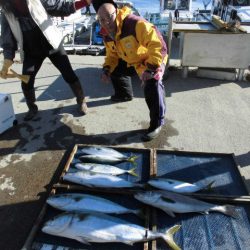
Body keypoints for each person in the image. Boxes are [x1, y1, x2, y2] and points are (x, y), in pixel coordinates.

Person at [0, 0, 90, 121]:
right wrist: (7, 60)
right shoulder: (6, 11)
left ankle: (81, 100)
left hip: (52, 44)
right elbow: (7, 39)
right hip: (31, 51)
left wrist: (84, 2)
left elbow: (61, 7)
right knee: (26, 81)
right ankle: (32, 108)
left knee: (68, 74)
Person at [93, 1, 168, 141]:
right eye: (101, 19)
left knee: (153, 84)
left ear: (117, 11)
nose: (106, 22)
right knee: (113, 70)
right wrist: (106, 69)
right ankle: (124, 94)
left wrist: (151, 69)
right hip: (132, 59)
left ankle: (157, 123)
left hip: (151, 59)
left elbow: (158, 45)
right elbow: (112, 55)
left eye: (109, 17)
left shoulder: (135, 24)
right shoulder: (106, 33)